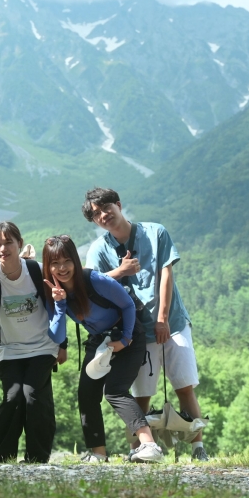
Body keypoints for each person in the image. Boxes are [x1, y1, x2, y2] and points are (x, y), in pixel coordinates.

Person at [83, 187, 208, 461]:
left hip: (172, 322)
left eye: (106, 208)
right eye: (96, 215)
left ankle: (198, 449)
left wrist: (162, 318)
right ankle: (137, 449)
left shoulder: (155, 232)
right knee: (141, 395)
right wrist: (122, 271)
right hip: (137, 332)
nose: (104, 216)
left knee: (185, 386)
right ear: (94, 221)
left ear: (118, 204)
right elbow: (91, 283)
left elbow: (166, 274)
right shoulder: (100, 249)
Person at [42, 235, 163, 463]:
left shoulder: (94, 279)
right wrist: (59, 304)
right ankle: (98, 454)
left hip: (128, 337)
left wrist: (125, 340)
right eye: (54, 263)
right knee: (87, 395)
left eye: (66, 261)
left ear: (75, 261)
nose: (61, 268)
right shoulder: (54, 292)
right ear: (47, 267)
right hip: (99, 341)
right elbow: (57, 335)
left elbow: (127, 305)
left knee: (115, 391)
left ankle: (150, 446)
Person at [0, 221, 67, 463]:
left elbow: (56, 307)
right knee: (13, 397)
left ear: (19, 244)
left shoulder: (35, 271)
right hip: (10, 349)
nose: (3, 248)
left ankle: (37, 457)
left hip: (43, 346)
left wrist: (62, 345)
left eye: (8, 243)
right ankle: (3, 457)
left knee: (33, 395)